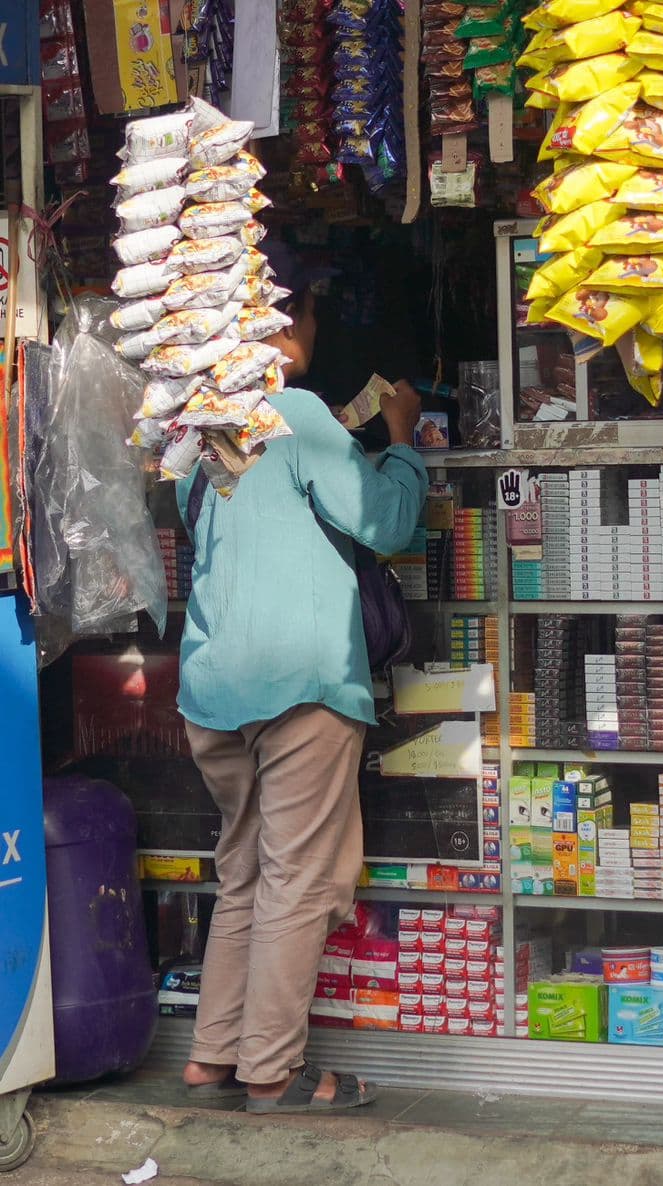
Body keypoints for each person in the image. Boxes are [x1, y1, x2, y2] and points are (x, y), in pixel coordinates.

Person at [176, 239, 426, 1114]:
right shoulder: (297, 414)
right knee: (295, 878)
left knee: (243, 869)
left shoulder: (197, 433)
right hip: (301, 687)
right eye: (313, 316)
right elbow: (385, 524)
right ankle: (274, 1071)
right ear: (286, 327)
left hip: (213, 693)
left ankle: (212, 1052)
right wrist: (401, 441)